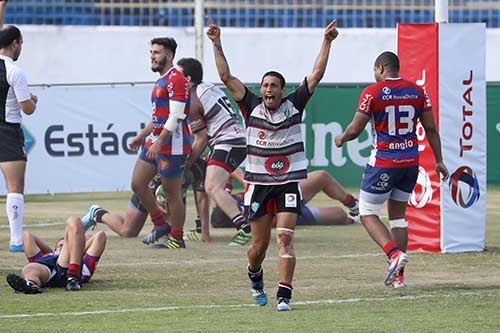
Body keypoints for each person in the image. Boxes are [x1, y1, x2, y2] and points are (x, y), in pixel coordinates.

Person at [207, 16, 339, 311]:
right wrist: (216, 42)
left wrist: (326, 41)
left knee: (285, 239)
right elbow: (227, 77)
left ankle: (284, 295)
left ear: (282, 90)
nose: (268, 89)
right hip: (258, 188)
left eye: (274, 86)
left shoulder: (295, 104)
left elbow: (316, 74)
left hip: (288, 185)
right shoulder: (250, 105)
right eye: (265, 85)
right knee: (258, 249)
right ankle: (255, 277)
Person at [334, 51, 449, 289]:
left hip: (385, 162)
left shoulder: (372, 92)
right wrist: (438, 160)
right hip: (410, 162)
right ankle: (399, 278)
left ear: (379, 68)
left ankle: (394, 254)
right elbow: (431, 128)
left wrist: (341, 138)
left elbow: (355, 129)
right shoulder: (418, 91)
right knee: (398, 217)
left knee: (366, 212)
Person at [176, 57, 249, 246]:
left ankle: (244, 227)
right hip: (234, 139)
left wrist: (185, 166)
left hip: (227, 142)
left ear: (189, 79)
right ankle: (202, 229)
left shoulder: (192, 98)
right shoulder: (207, 87)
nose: (174, 79)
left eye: (178, 75)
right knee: (204, 181)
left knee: (211, 186)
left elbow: (200, 140)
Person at [128, 37, 191, 249]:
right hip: (156, 140)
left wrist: (159, 142)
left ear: (170, 55)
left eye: (157, 52)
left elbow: (176, 116)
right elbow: (158, 117)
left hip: (172, 144)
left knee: (172, 193)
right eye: (151, 53)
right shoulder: (162, 80)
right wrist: (142, 136)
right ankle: (160, 225)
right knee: (137, 183)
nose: (152, 57)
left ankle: (177, 238)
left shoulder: (176, 79)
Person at [82, 159, 212, 243]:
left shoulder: (199, 168)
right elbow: (144, 189)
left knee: (172, 230)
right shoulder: (162, 162)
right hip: (148, 193)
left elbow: (201, 199)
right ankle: (96, 213)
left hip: (172, 196)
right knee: (128, 232)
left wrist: (205, 231)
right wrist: (156, 207)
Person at [0, 1, 38, 252]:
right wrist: (33, 99)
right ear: (14, 43)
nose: (22, 47)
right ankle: (15, 242)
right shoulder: (15, 71)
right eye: (21, 43)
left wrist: (2, 8)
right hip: (8, 131)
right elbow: (27, 109)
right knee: (15, 187)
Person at [211, 170, 360, 228]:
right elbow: (231, 170)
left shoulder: (230, 203)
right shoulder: (240, 211)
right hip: (283, 203)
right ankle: (355, 208)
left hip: (284, 203)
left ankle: (355, 208)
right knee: (339, 214)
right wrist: (247, 183)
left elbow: (229, 172)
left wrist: (235, 185)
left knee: (322, 179)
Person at [6, 216, 106, 293]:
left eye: (65, 243)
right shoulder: (47, 256)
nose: (62, 246)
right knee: (29, 268)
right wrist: (51, 251)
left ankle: (72, 278)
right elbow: (27, 236)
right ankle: (31, 285)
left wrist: (78, 248)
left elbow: (100, 236)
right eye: (60, 245)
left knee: (74, 221)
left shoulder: (84, 261)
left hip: (68, 268)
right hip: (47, 273)